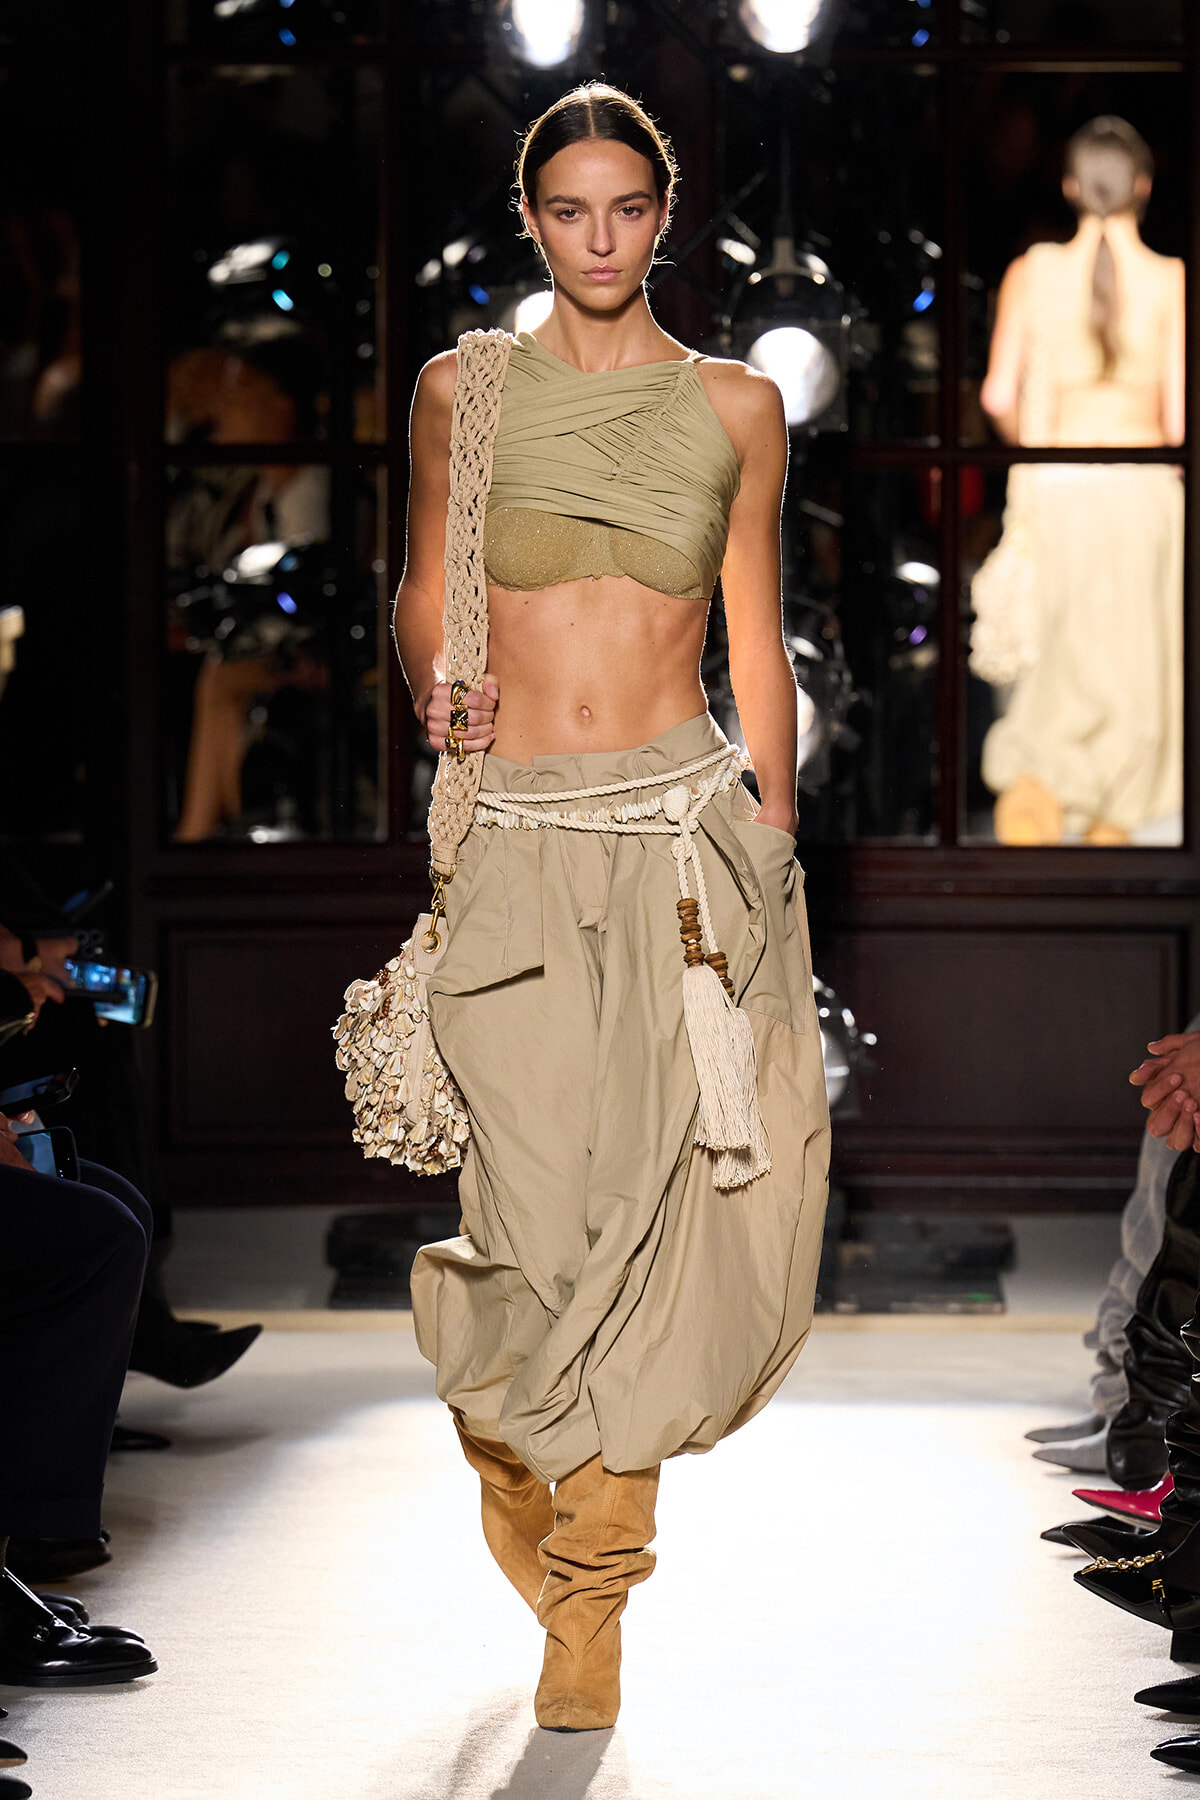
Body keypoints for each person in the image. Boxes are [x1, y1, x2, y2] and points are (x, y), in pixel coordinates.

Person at [391, 84, 829, 1732]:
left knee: (655, 1224)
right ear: (531, 217)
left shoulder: (733, 408)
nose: (597, 237)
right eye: (568, 209)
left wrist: (773, 853)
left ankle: (593, 1601)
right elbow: (428, 593)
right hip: (509, 841)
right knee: (524, 1227)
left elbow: (755, 645)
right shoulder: (465, 393)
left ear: (664, 219)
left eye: (625, 208)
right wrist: (438, 688)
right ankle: (543, 1502)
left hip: (675, 840)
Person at [974, 115, 1185, 846]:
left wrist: (1039, 449)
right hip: (1143, 489)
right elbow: (1179, 422)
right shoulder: (1171, 280)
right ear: (1143, 188)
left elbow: (999, 396)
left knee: (1060, 656)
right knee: (1133, 657)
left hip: (1059, 486)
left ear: (1070, 187)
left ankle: (1042, 791)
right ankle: (1114, 815)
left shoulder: (1033, 271)